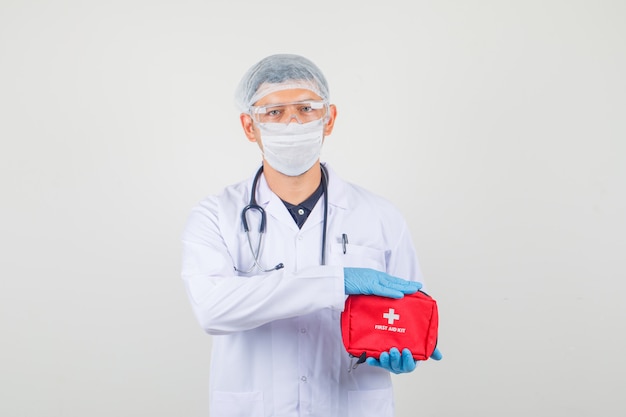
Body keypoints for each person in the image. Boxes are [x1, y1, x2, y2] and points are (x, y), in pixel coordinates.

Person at [181, 53, 441, 417]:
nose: (291, 123)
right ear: (248, 126)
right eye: (273, 112)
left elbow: (408, 311)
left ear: (329, 118)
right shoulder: (215, 215)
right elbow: (213, 309)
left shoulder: (380, 216)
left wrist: (401, 348)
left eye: (306, 109)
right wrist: (338, 281)